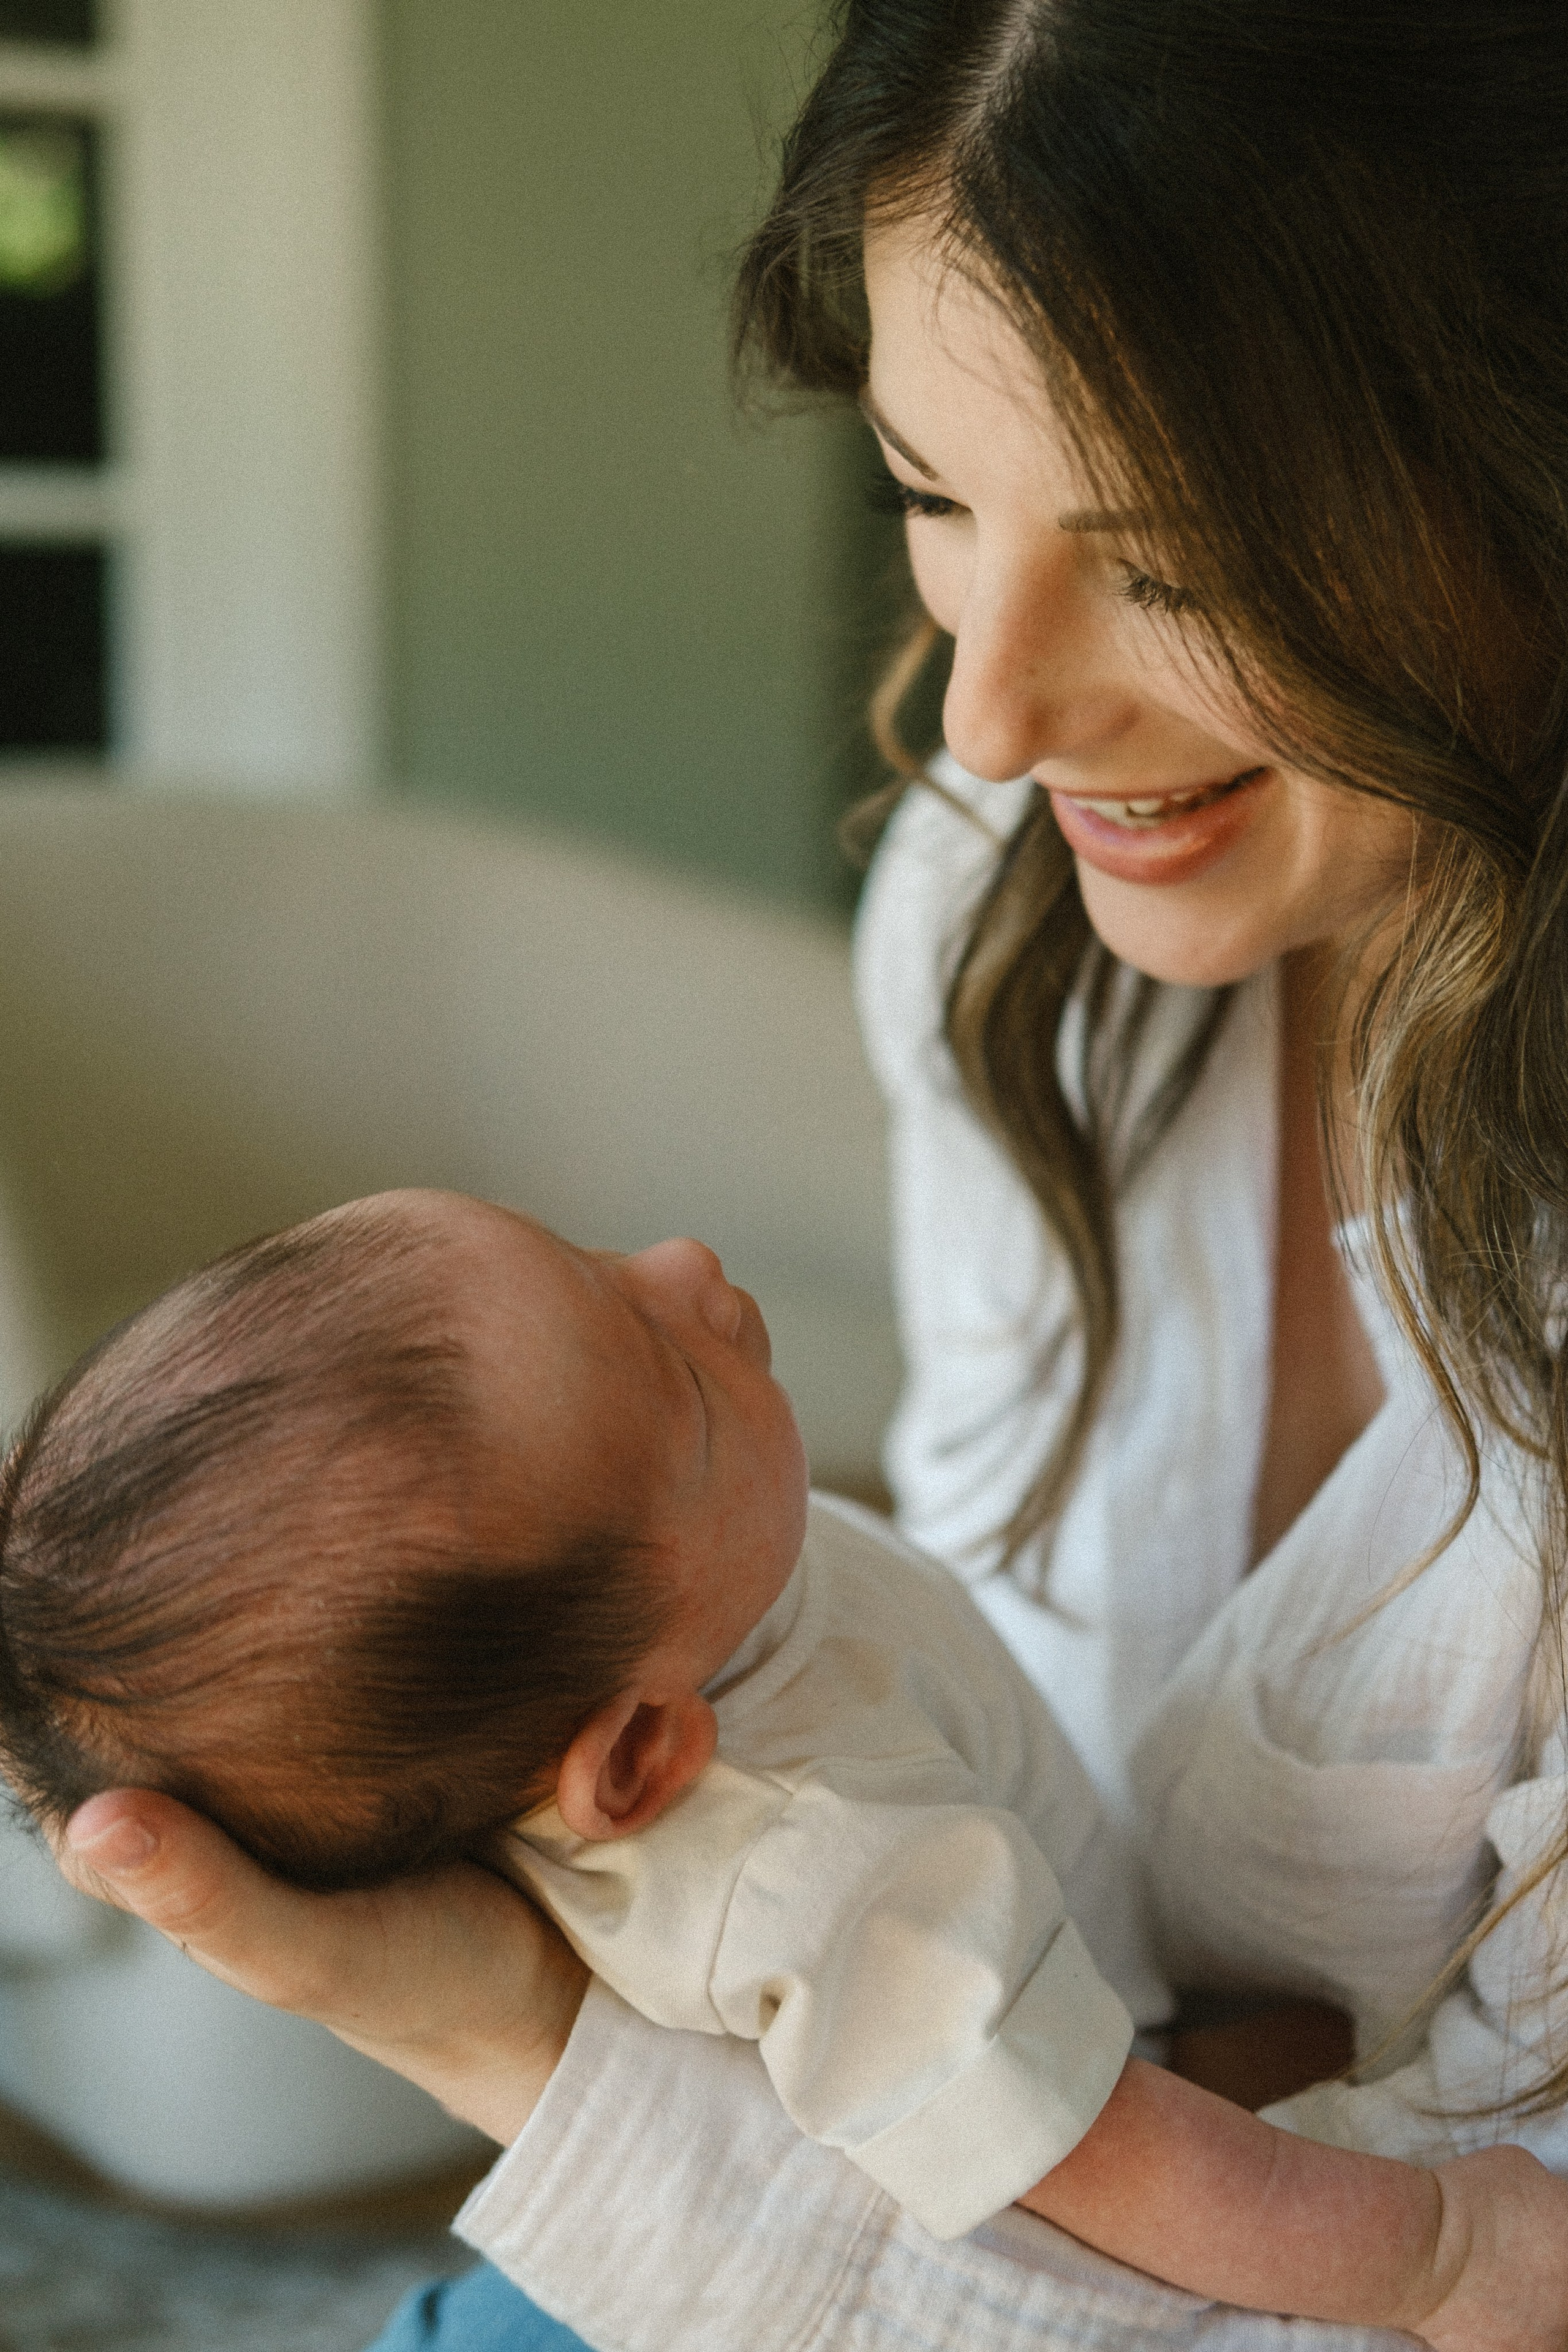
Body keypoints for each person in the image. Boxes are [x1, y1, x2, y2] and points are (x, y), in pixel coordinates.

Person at [40, 1, 1568, 2345]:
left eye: (1167, 561)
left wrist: (506, 2046)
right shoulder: (1007, 907)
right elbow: (1000, 1665)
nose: (982, 717)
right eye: (934, 498)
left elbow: (1443, 2275)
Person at [12, 1191, 1562, 2337]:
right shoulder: (811, 1856)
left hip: (707, 2137)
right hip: (810, 2220)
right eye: (677, 1376)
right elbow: (1084, 2158)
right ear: (634, 1760)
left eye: (592, 1257)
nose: (695, 1274)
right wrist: (1429, 2249)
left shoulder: (647, 1640)